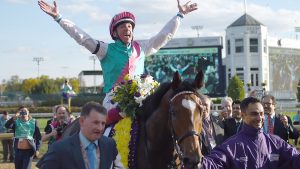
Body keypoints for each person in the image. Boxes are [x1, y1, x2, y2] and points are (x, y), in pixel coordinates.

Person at [37, 0, 198, 124]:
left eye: (129, 26)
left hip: (142, 98)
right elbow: (82, 37)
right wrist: (59, 18)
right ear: (115, 32)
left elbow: (164, 36)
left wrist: (179, 16)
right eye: (122, 27)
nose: (127, 29)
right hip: (114, 101)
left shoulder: (141, 48)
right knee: (104, 126)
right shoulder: (105, 49)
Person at [201, 97, 300, 169]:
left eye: (261, 114)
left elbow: (295, 159)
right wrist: (195, 162)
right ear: (243, 116)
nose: (259, 118)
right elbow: (213, 163)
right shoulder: (231, 146)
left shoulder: (276, 142)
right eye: (254, 114)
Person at [36, 101, 124, 169]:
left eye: (103, 123)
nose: (100, 128)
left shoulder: (110, 144)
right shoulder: (59, 148)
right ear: (82, 121)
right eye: (95, 122)